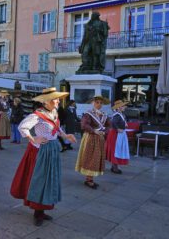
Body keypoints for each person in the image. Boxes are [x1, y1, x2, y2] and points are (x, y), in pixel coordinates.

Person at [11, 87, 76, 226]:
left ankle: (43, 209)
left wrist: (65, 135)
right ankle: (37, 212)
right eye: (56, 98)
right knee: (40, 180)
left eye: (58, 98)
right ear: (47, 101)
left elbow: (56, 129)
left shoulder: (54, 112)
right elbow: (22, 127)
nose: (58, 101)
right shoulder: (37, 115)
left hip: (52, 149)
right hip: (41, 151)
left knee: (49, 179)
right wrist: (33, 139)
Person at [75, 95, 111, 189]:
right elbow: (84, 125)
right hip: (91, 137)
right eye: (97, 102)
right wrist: (94, 130)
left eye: (100, 103)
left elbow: (109, 125)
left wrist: (104, 131)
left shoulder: (104, 114)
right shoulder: (88, 114)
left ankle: (90, 178)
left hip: (100, 139)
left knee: (96, 158)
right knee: (90, 157)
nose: (99, 104)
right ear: (93, 103)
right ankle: (89, 179)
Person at [105, 100, 130, 174]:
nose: (124, 107)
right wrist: (117, 128)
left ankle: (114, 166)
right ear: (118, 107)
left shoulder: (120, 114)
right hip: (115, 134)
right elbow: (113, 122)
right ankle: (114, 167)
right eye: (123, 106)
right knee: (115, 150)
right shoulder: (117, 115)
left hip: (118, 134)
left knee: (117, 149)